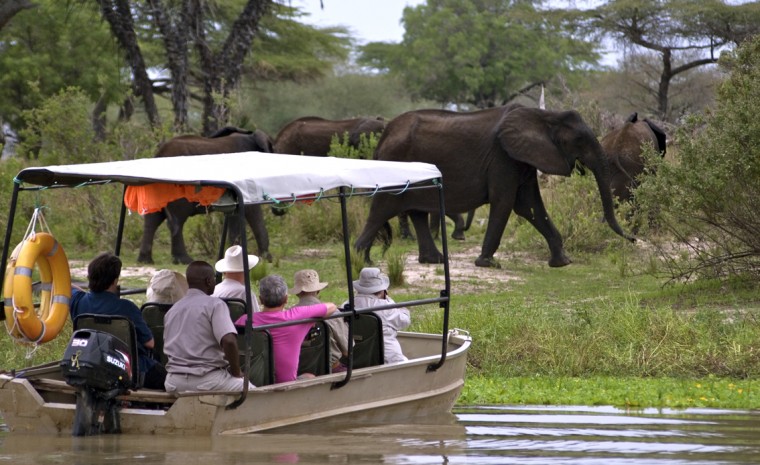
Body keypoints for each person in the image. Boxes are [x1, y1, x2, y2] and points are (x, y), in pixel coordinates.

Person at [69, 252, 167, 390]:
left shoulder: (77, 301)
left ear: (89, 277)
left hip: (91, 364)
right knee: (165, 378)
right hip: (131, 369)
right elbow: (150, 343)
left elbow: (67, 285)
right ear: (115, 281)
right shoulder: (127, 308)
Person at [163, 261, 252, 393]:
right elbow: (229, 341)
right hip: (206, 379)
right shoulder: (215, 305)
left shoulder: (173, 310)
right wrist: (236, 371)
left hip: (173, 382)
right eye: (214, 279)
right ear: (209, 281)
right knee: (251, 391)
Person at [236, 274, 338, 384]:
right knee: (310, 376)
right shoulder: (296, 316)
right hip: (285, 385)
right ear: (286, 299)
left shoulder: (244, 320)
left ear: (261, 300)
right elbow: (332, 307)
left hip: (253, 383)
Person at [291, 269, 350, 372]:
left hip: (297, 370)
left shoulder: (288, 315)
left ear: (297, 293)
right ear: (318, 291)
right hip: (330, 369)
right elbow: (347, 350)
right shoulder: (333, 314)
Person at [349, 267, 411, 364]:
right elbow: (404, 321)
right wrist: (395, 304)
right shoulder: (385, 307)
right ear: (382, 290)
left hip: (357, 357)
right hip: (386, 357)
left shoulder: (347, 305)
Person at [212, 245, 261, 312]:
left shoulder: (214, 291)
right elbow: (255, 317)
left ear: (225, 271)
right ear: (246, 270)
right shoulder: (245, 293)